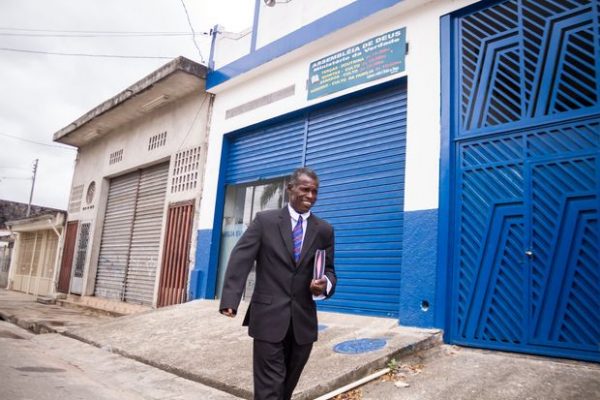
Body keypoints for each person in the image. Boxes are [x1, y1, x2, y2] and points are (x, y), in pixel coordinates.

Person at [219, 167, 336, 400]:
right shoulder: (265, 221)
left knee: (286, 388)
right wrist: (230, 299)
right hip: (267, 318)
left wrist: (325, 285)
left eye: (315, 191)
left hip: (302, 323)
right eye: (305, 189)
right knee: (269, 388)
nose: (310, 196)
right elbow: (240, 258)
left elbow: (330, 270)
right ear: (290, 188)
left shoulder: (324, 230)